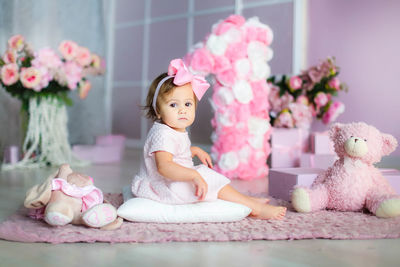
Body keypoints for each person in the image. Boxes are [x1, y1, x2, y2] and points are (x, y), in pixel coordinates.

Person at [131, 58, 286, 220]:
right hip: (163, 187)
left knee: (210, 178)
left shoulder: (171, 130)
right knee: (207, 178)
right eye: (173, 105)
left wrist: (194, 150)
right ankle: (255, 208)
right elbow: (164, 166)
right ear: (158, 111)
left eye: (188, 104)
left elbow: (174, 154)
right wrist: (193, 176)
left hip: (170, 181)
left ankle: (244, 200)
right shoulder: (163, 134)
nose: (182, 110)